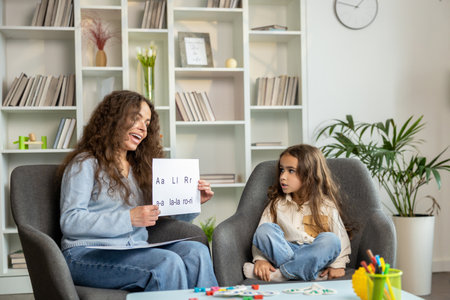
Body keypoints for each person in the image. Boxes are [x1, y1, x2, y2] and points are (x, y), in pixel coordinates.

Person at [58, 90, 218, 291]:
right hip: (85, 254)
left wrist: (193, 200)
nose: (143, 128)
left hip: (133, 248)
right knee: (167, 263)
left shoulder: (140, 169)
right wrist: (129, 218)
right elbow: (70, 221)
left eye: (147, 123)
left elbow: (159, 215)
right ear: (114, 119)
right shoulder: (85, 164)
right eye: (136, 119)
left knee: (197, 252)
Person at [243, 144, 352, 282]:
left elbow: (342, 240)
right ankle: (306, 272)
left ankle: (281, 275)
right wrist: (260, 260)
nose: (283, 176)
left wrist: (338, 265)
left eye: (291, 171)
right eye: (282, 170)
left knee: (331, 240)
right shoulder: (277, 204)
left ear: (309, 175)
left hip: (314, 254)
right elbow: (261, 238)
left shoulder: (327, 206)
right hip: (284, 250)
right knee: (264, 230)